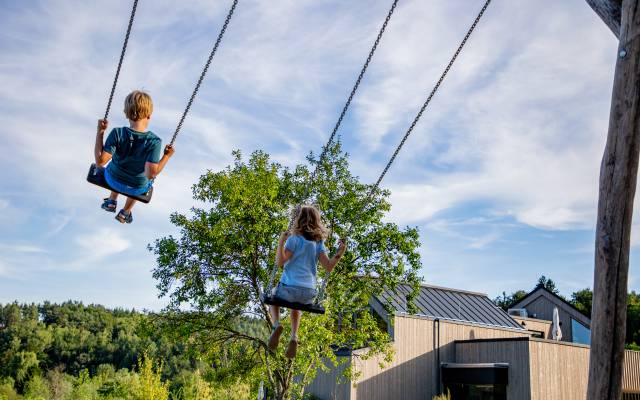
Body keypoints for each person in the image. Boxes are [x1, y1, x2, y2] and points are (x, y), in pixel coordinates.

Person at [267, 205, 347, 358]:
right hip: (308, 294)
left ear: (299, 220)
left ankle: (276, 325)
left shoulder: (294, 240)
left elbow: (280, 262)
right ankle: (294, 336)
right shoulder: (318, 243)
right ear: (316, 222)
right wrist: (340, 253)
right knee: (296, 306)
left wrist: (281, 242)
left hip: (288, 290)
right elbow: (328, 266)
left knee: (272, 297)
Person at [94, 90, 174, 223]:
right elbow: (151, 174)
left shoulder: (118, 133)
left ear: (126, 113)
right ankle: (125, 212)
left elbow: (100, 162)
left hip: (112, 180)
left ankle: (112, 201)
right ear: (149, 115)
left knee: (115, 165)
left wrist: (100, 132)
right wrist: (166, 156)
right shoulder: (154, 141)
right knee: (144, 180)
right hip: (137, 188)